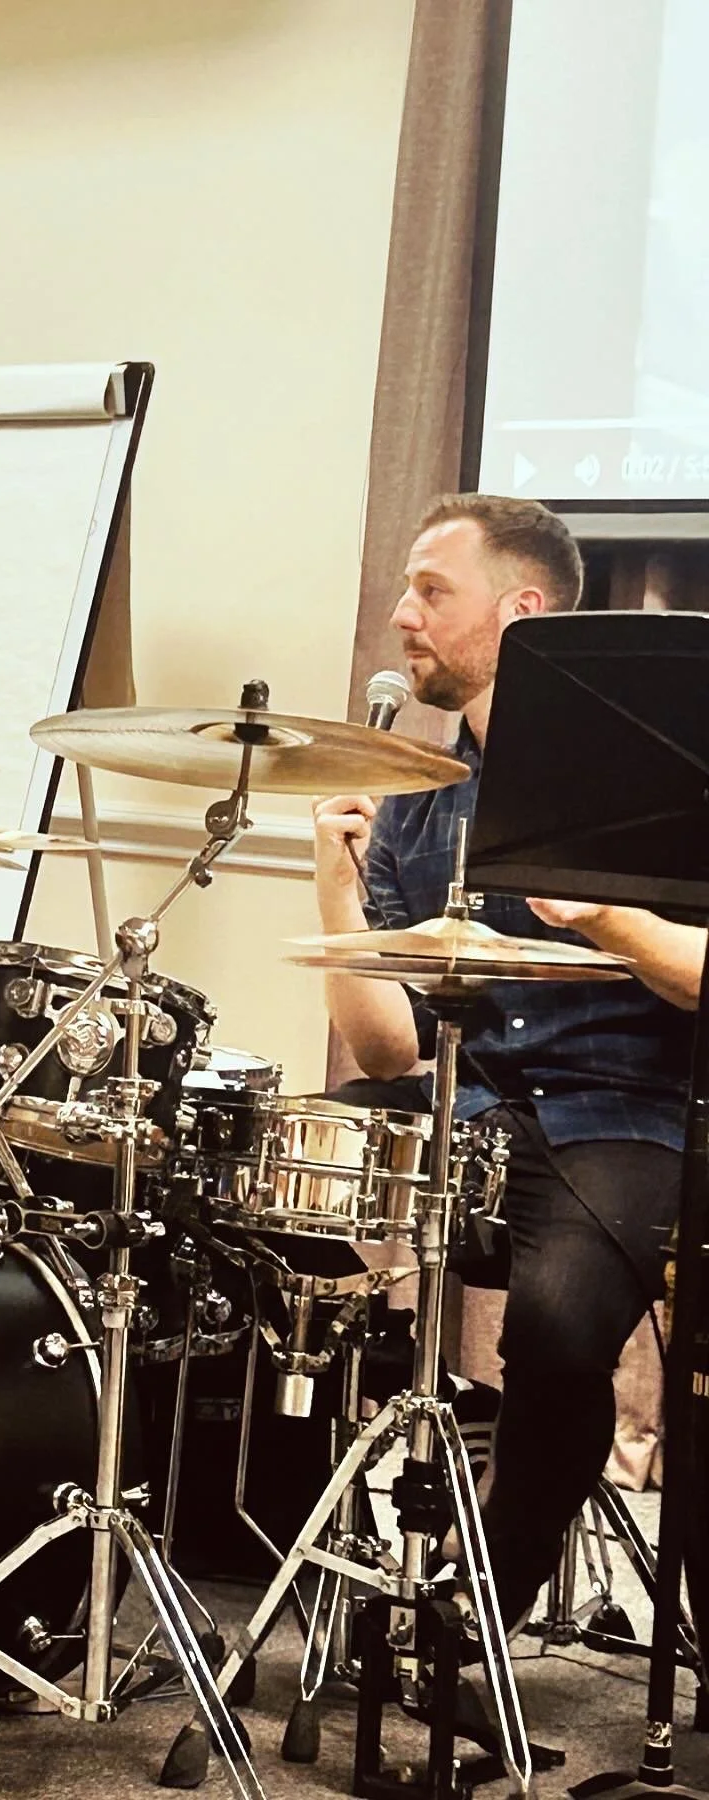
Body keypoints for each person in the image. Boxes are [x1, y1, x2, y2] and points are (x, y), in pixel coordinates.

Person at [313, 492, 702, 1630]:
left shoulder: (649, 783)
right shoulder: (419, 805)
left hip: (626, 1116)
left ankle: (479, 1615)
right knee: (247, 1185)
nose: (400, 617)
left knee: (556, 1325)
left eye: (432, 591)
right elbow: (386, 1044)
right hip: (473, 1106)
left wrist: (608, 922)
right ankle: (292, 1537)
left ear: (522, 612)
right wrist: (339, 880)